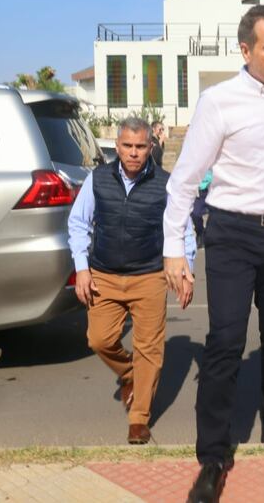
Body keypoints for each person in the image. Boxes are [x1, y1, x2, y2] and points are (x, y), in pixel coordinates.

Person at [164, 5, 264, 502]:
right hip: (230, 234)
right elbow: (183, 182)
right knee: (225, 341)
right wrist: (173, 251)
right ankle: (212, 456)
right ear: (245, 50)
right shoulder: (218, 101)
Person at [67, 117, 196, 444]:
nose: (134, 153)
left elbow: (183, 229)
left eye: (141, 146)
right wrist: (82, 268)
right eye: (128, 146)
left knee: (149, 348)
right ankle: (129, 374)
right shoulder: (97, 179)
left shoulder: (166, 183)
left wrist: (186, 268)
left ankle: (139, 418)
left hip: (149, 276)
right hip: (103, 276)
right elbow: (78, 224)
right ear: (118, 147)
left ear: (150, 147)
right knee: (98, 339)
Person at [191, 169, 213, 248]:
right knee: (195, 214)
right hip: (199, 191)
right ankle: (200, 233)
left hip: (213, 189)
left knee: (215, 215)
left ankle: (210, 235)